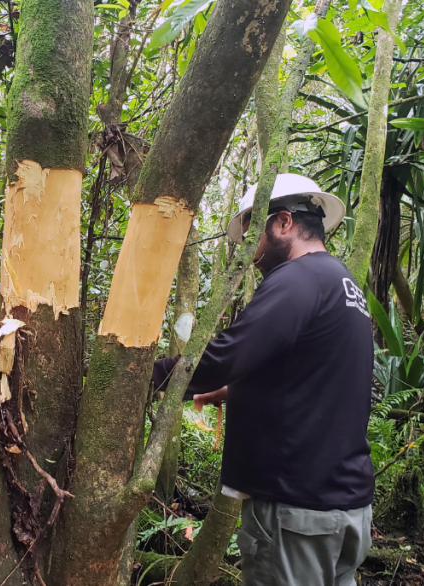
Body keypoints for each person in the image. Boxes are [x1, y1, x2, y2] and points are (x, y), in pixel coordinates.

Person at [152, 174, 374, 586]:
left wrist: (148, 376)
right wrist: (234, 391)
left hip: (296, 511)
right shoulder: (342, 284)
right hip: (342, 507)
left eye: (253, 234)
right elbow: (314, 377)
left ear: (283, 223)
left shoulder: (297, 279)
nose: (250, 253)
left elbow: (227, 353)